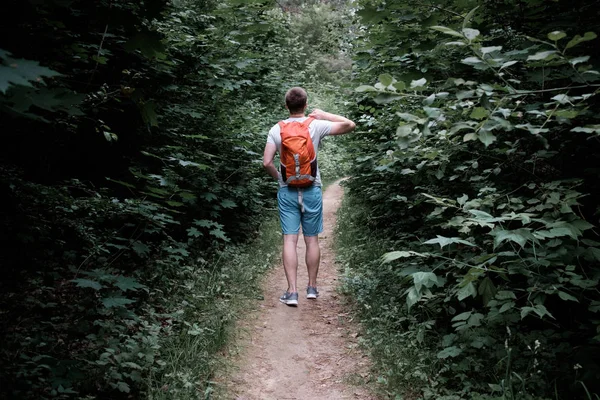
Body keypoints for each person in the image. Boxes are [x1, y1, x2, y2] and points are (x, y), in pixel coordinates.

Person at [262, 87, 356, 306]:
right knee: (311, 239)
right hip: (312, 188)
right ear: (305, 105)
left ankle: (292, 292)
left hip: (287, 190)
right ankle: (312, 288)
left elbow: (266, 162)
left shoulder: (277, 129)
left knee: (290, 239)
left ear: (287, 106)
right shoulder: (316, 125)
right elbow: (350, 124)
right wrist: (324, 115)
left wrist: (279, 177)